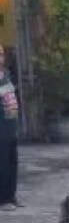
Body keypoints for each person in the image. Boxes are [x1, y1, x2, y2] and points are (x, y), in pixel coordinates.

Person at [0, 45, 21, 210]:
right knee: (3, 164)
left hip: (11, 126)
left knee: (12, 162)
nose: (1, 58)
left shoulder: (5, 75)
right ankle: (3, 199)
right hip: (1, 128)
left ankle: (11, 196)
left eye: (1, 55)